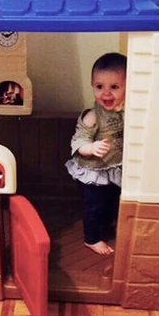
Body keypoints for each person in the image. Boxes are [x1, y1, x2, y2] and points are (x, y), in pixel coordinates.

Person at [65, 52, 126, 256]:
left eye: (114, 87)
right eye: (99, 87)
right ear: (92, 86)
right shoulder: (92, 116)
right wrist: (90, 148)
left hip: (113, 168)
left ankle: (106, 226)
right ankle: (91, 238)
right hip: (92, 171)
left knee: (112, 201)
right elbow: (78, 141)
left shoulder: (126, 111)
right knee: (95, 205)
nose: (106, 93)